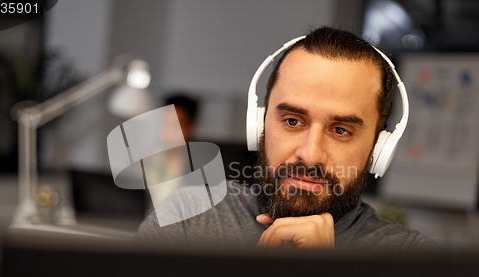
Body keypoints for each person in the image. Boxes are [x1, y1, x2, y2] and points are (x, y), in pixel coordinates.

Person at [135, 27, 437, 250]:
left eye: (341, 130)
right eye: (293, 121)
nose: (311, 154)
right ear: (259, 126)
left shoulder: (415, 260)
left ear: (378, 148)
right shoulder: (188, 219)